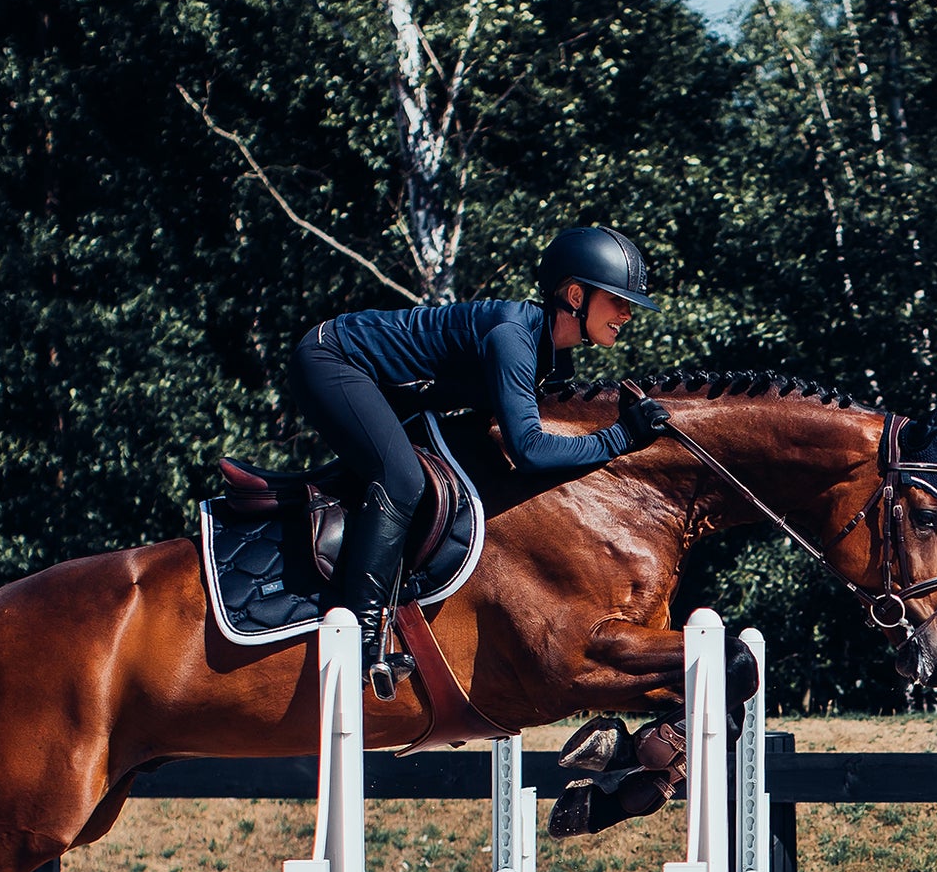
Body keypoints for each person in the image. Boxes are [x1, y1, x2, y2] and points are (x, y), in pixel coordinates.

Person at [287, 225, 672, 681]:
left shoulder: (549, 353)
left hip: (388, 387)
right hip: (334, 359)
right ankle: (360, 643)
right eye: (618, 301)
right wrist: (619, 438)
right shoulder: (513, 337)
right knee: (402, 480)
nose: (627, 314)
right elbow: (529, 450)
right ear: (575, 295)